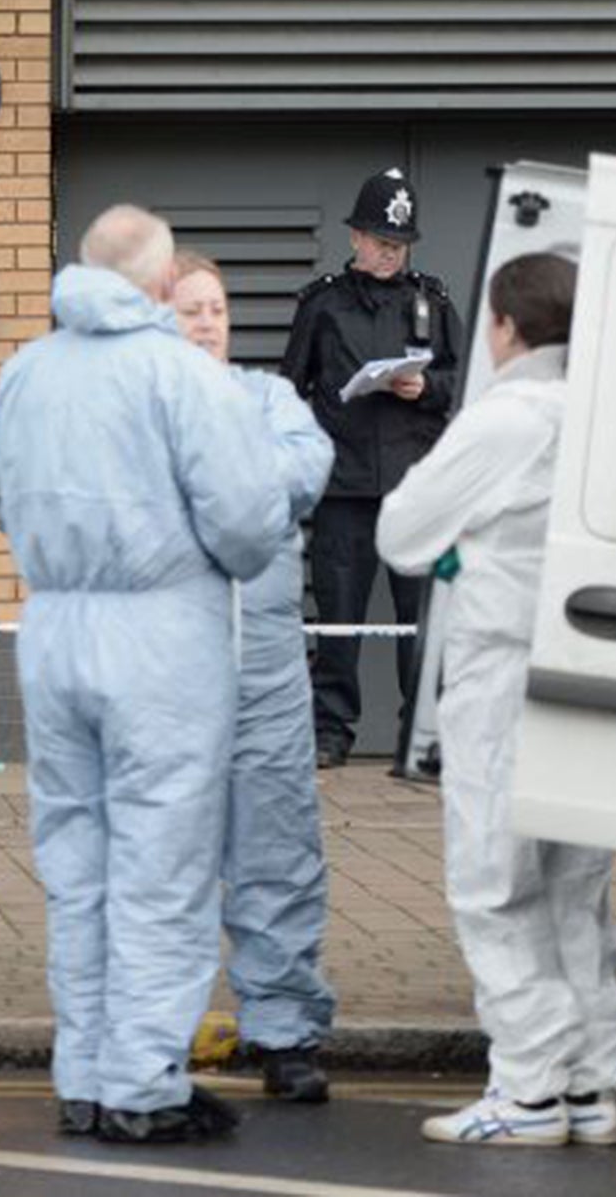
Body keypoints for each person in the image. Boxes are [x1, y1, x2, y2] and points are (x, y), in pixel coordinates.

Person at [0, 206, 291, 1143]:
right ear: (161, 285)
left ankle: (83, 1070)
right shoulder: (179, 375)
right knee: (164, 870)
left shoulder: (27, 369)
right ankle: (143, 1082)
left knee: (78, 867)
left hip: (54, 624)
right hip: (162, 635)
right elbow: (246, 524)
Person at [377, 253, 616, 1148]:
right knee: (575, 890)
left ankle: (527, 1092)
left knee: (494, 885)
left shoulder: (505, 417)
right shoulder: (612, 418)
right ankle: (594, 1084)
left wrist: (459, 549)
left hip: (501, 674)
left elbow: (402, 532)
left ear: (505, 327)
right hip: (588, 672)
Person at [171, 250, 339, 1104]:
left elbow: (302, 473)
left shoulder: (272, 400)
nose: (208, 323)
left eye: (218, 309)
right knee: (162, 863)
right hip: (164, 673)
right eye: (190, 308)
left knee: (278, 852)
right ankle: (155, 1033)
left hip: (267, 671)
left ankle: (285, 1031)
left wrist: (203, 490)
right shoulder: (133, 411)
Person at [281, 167, 462, 769]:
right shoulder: (323, 303)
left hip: (415, 487)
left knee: (420, 619)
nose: (390, 252)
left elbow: (462, 383)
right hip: (343, 486)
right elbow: (290, 389)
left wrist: (425, 388)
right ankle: (332, 732)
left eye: (399, 243)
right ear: (356, 237)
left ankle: (423, 739)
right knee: (340, 618)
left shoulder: (431, 302)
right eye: (381, 241)